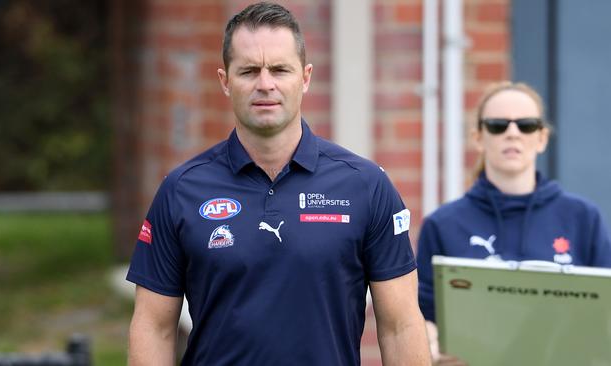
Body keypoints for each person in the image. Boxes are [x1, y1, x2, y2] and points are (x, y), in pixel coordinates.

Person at [126, 2, 431, 365]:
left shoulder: (366, 187)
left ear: (305, 77)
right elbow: (153, 326)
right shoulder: (181, 191)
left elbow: (400, 326)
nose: (265, 84)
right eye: (249, 71)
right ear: (225, 81)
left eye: (280, 69)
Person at [416, 81, 611, 364]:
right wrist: (431, 346)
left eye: (526, 125)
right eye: (497, 125)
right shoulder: (443, 224)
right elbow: (423, 315)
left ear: (542, 138)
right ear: (478, 138)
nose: (512, 133)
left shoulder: (583, 218)